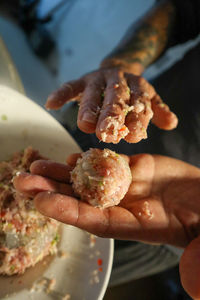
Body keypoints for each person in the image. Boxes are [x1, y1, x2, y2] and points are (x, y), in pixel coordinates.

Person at [13, 0, 200, 298]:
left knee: (55, 279)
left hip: (165, 228)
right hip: (113, 115)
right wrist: (121, 67)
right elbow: (183, 11)